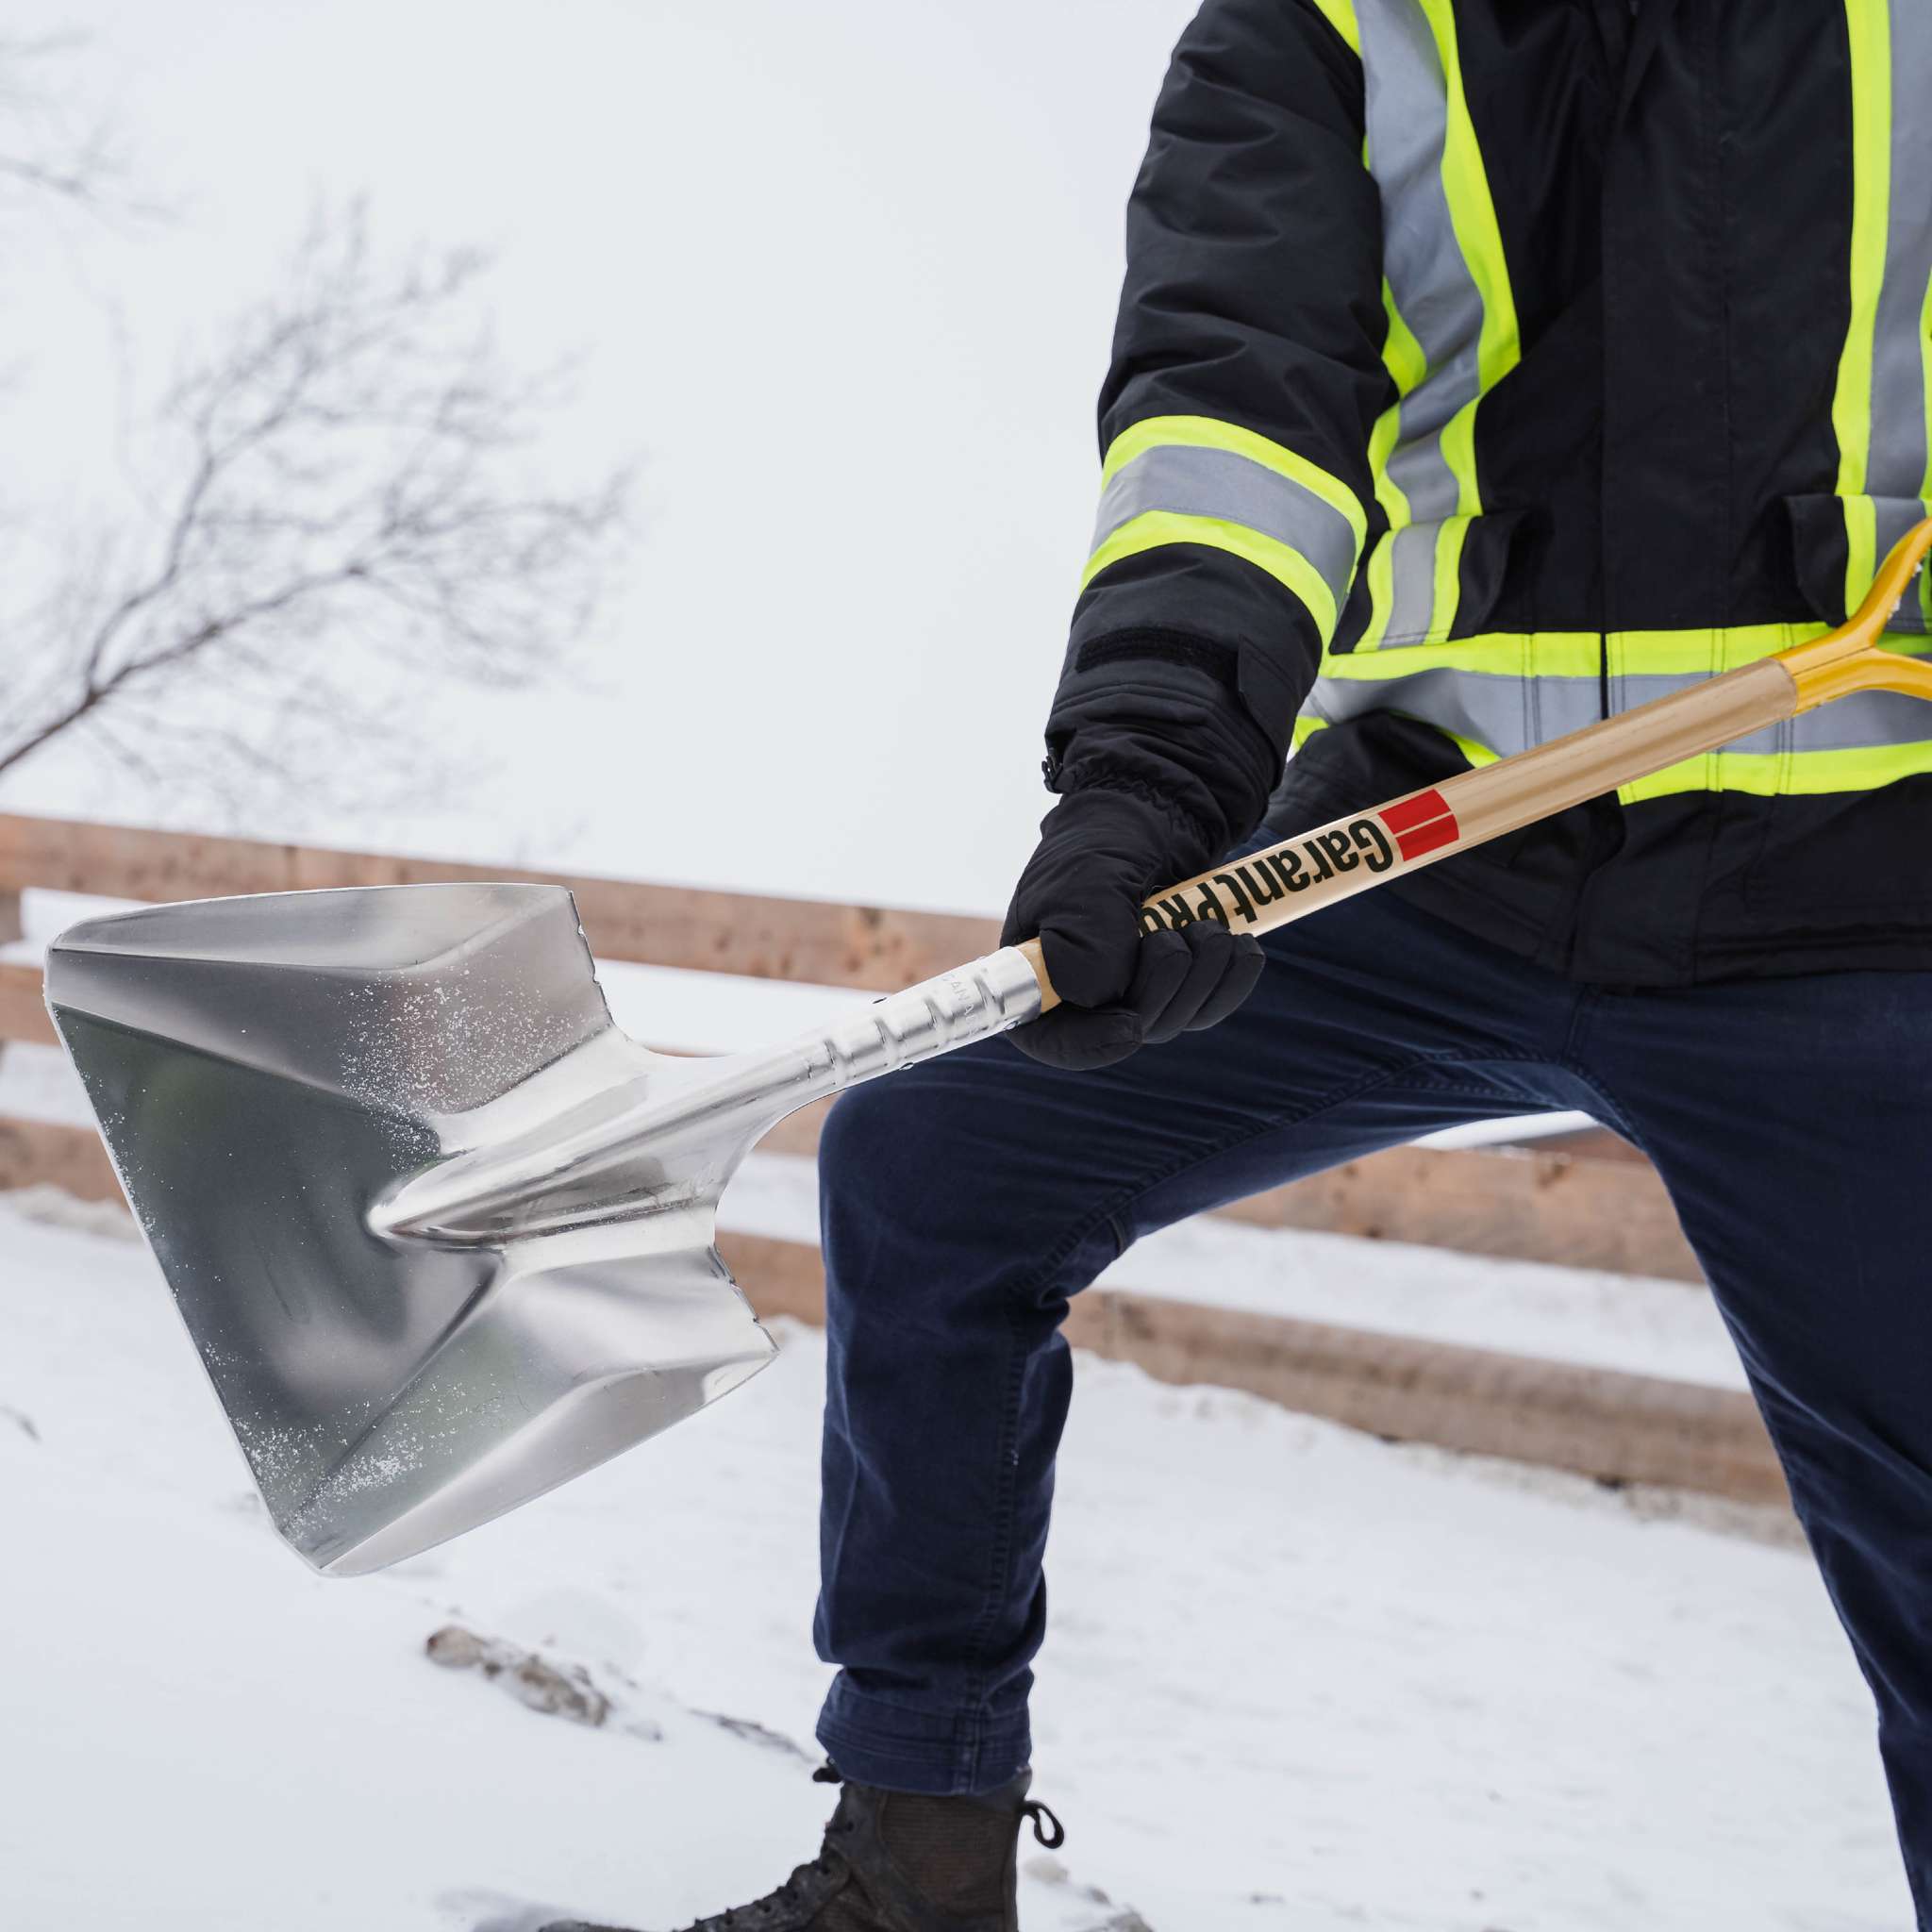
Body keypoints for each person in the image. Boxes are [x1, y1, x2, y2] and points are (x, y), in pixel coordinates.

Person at [551, 3, 1932, 1925]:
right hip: (1446, 841)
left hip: (1858, 892)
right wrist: (1151, 785)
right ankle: (920, 1854)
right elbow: (1234, 400)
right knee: (937, 1167)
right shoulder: (1333, 22)